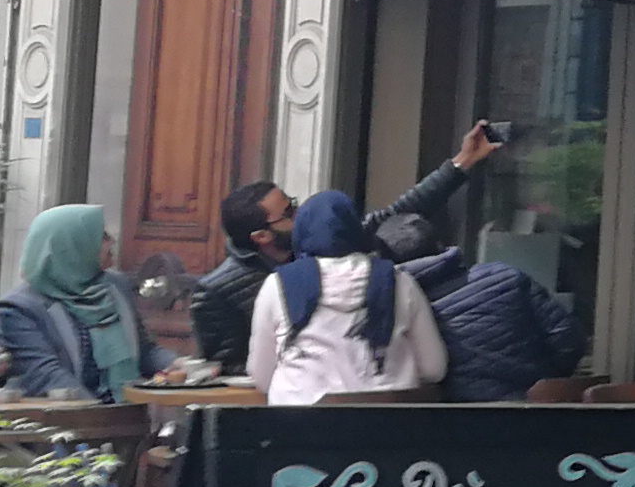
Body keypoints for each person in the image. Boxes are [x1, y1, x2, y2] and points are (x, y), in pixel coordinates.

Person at [192, 125, 501, 375]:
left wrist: (463, 161)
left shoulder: (328, 240)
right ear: (261, 236)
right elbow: (228, 368)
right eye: (288, 213)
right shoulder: (216, 292)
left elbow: (400, 211)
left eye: (294, 204)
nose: (299, 214)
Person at [247, 191, 450, 405]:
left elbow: (261, 375)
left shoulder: (277, 285)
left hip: (300, 420)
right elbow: (434, 368)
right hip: (385, 420)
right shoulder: (399, 281)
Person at [375, 211, 585, 403]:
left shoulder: (397, 309)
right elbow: (569, 339)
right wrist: (543, 387)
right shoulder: (507, 277)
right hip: (536, 417)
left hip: (460, 424)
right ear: (440, 244)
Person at [0, 206, 147, 398]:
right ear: (71, 244)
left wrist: (176, 365)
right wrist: (104, 412)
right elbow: (47, 376)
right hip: (64, 411)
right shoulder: (18, 310)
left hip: (124, 408)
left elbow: (145, 351)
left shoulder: (116, 286)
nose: (112, 242)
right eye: (102, 236)